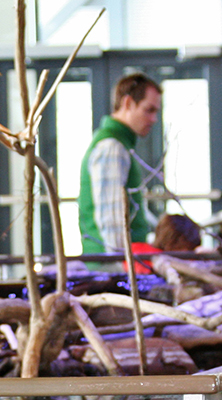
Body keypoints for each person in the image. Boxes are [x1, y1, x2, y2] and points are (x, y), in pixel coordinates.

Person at [78, 73, 162, 260]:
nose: (154, 119)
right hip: (113, 267)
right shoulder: (112, 147)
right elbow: (113, 221)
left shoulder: (117, 144)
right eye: (149, 110)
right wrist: (124, 266)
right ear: (128, 103)